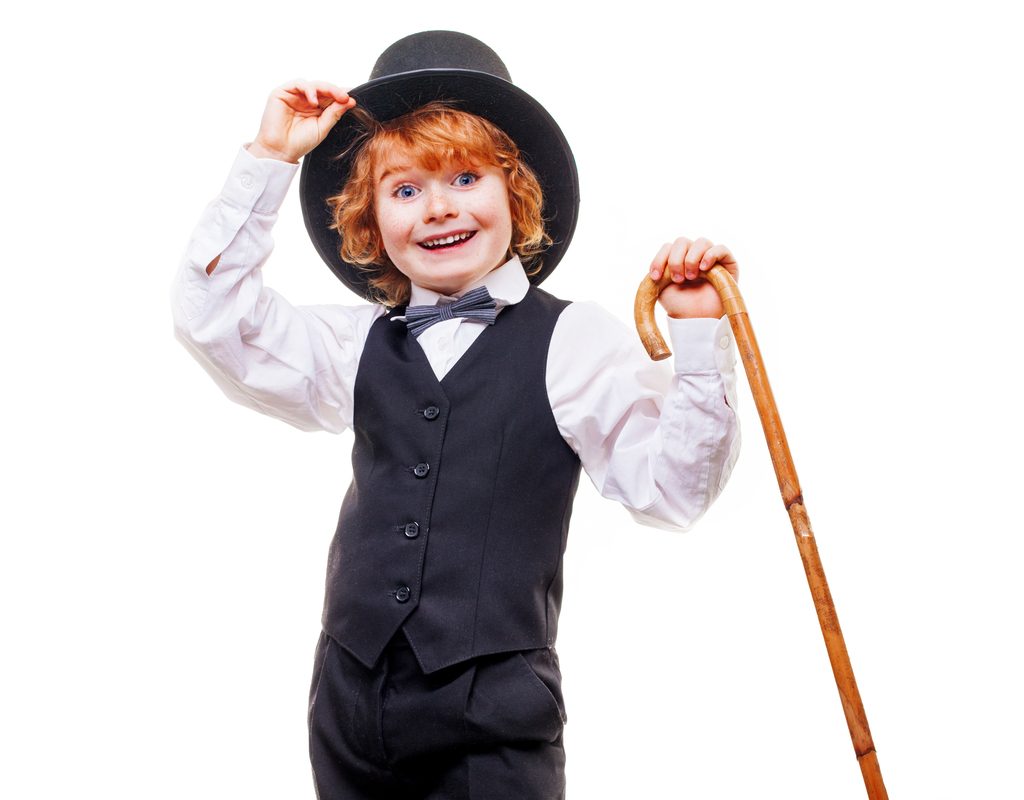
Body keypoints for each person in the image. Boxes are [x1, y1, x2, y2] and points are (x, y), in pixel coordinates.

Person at [172, 30, 740, 800]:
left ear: (517, 194)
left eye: (465, 178)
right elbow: (213, 318)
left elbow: (672, 490)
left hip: (495, 722)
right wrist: (269, 162)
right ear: (371, 223)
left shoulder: (572, 341)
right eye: (404, 190)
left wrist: (700, 337)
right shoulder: (359, 342)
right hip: (348, 696)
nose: (437, 209)